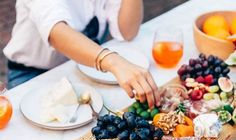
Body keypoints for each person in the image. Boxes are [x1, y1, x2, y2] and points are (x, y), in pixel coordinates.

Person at [3, 0, 160, 108]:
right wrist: (114, 61)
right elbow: (55, 30)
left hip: (85, 71)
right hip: (34, 75)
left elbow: (127, 31)